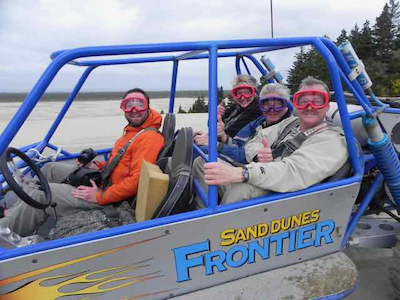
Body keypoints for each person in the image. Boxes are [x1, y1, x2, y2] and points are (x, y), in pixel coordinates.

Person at [0, 88, 165, 236]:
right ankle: (17, 212)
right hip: (105, 181)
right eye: (129, 105)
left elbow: (137, 181)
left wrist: (100, 196)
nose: (134, 110)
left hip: (114, 199)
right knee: (49, 168)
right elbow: (120, 163)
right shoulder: (133, 132)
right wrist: (97, 166)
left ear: (148, 107)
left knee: (41, 195)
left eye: (139, 104)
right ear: (123, 108)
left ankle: (6, 230)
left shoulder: (149, 138)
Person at [193, 76, 348, 207]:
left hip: (289, 193)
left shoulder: (332, 140)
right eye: (303, 101)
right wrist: (258, 155)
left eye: (317, 101)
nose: (309, 107)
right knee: (203, 163)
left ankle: (218, 233)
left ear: (327, 106)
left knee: (240, 189)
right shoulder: (291, 123)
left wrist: (243, 173)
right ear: (296, 104)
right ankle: (201, 214)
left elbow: (291, 172)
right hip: (266, 176)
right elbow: (256, 140)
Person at [194, 83, 292, 164]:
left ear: (286, 105)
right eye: (266, 104)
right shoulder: (259, 122)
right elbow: (239, 144)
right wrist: (223, 137)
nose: (272, 110)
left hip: (251, 171)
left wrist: (216, 145)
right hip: (241, 161)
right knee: (194, 143)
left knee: (203, 156)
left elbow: (246, 156)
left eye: (278, 104)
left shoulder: (287, 128)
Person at [195, 74, 262, 143]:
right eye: (239, 93)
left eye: (247, 93)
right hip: (221, 142)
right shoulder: (236, 107)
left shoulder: (256, 112)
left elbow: (232, 135)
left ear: (254, 93)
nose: (242, 97)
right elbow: (212, 126)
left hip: (230, 147)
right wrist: (217, 115)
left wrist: (218, 134)